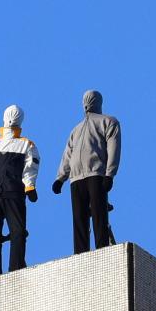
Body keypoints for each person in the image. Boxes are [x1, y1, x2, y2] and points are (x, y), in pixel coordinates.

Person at [52, 90, 122, 255]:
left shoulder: (108, 122)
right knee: (81, 218)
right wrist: (60, 178)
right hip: (76, 177)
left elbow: (113, 149)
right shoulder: (77, 129)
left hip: (95, 174)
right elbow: (68, 153)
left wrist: (109, 174)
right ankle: (81, 255)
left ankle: (101, 250)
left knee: (96, 214)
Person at [0, 110, 39, 277]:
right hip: (5, 195)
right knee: (9, 234)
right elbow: (31, 167)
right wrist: (30, 186)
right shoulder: (26, 145)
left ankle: (5, 272)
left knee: (1, 235)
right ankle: (7, 271)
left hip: (1, 194)